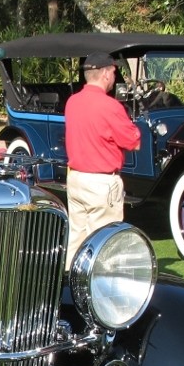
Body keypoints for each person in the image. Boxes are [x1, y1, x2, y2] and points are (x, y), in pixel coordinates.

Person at [63, 52, 141, 268]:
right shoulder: (110, 106)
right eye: (114, 73)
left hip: (76, 178)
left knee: (77, 238)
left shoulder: (72, 102)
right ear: (105, 74)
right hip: (101, 182)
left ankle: (70, 282)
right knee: (105, 244)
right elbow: (133, 142)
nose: (114, 78)